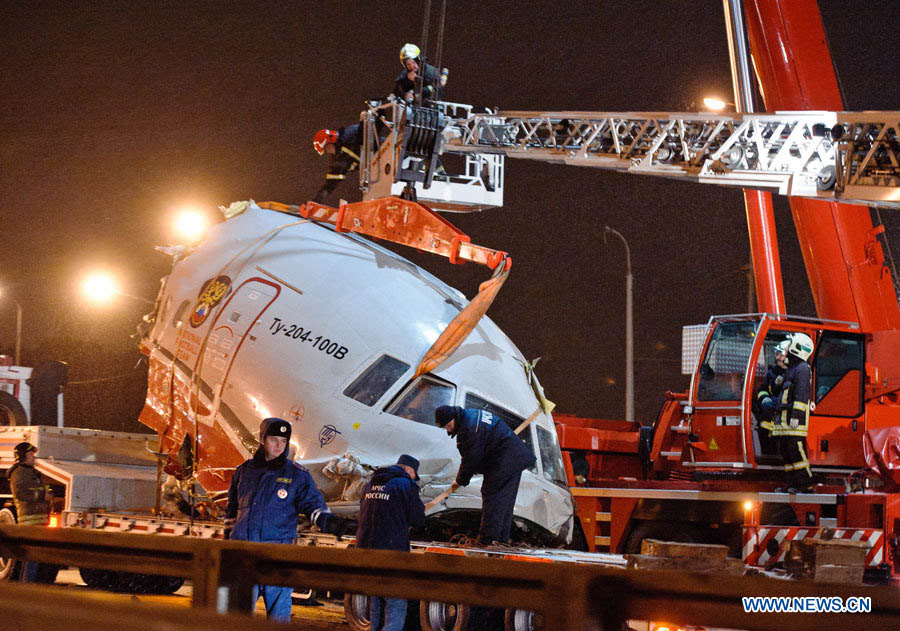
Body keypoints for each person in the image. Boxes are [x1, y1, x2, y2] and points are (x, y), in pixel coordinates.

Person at [226, 418, 348, 622]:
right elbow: (231, 511)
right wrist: (227, 544)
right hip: (244, 552)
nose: (279, 446)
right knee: (237, 617)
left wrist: (331, 523)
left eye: (284, 441)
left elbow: (313, 506)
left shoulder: (297, 475)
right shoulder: (244, 472)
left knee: (278, 617)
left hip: (278, 554)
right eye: (274, 440)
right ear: (262, 439)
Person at [434, 405, 535, 544]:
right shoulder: (471, 415)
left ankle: (486, 541)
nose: (448, 429)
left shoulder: (467, 428)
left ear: (454, 418)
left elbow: (471, 459)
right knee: (505, 502)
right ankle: (501, 541)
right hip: (515, 458)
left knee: (492, 496)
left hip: (504, 460)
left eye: (448, 425)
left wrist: (461, 480)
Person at [355, 454, 425, 631]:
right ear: (409, 470)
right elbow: (418, 520)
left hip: (365, 552)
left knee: (376, 602)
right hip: (392, 554)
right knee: (396, 603)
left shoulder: (369, 484)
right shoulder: (405, 485)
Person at [771, 333, 815, 493]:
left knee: (797, 455)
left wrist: (796, 416)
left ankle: (806, 485)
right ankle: (792, 485)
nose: (787, 349)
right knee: (788, 456)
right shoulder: (792, 369)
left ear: (797, 347)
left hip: (794, 422)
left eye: (790, 345)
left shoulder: (802, 369)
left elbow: (801, 395)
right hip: (784, 423)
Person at [7, 441, 52, 582]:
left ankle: (28, 585)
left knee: (34, 558)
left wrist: (48, 495)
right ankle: (25, 587)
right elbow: (20, 494)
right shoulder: (18, 473)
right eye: (31, 454)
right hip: (29, 523)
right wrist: (42, 496)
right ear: (24, 455)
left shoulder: (33, 473)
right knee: (30, 559)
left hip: (39, 523)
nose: (34, 457)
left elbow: (42, 489)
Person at [312, 124, 363, 205]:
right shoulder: (338, 161)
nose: (328, 152)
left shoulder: (351, 133)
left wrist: (379, 112)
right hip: (375, 171)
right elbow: (330, 183)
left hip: (384, 151)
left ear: (332, 140)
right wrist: (316, 201)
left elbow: (369, 127)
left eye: (327, 148)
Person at [755, 339, 789, 449]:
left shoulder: (794, 372)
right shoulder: (772, 372)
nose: (777, 358)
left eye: (781, 355)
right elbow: (763, 389)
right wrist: (765, 398)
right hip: (771, 408)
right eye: (777, 354)